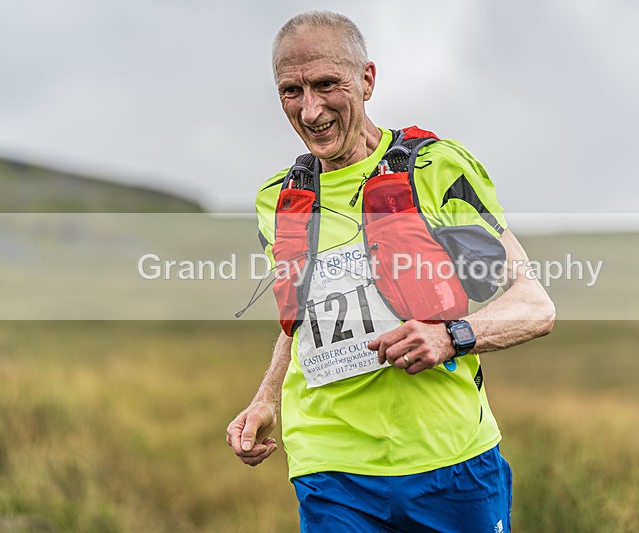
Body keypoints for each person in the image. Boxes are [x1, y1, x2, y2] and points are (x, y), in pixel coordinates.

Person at [226, 11, 555, 532]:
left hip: (449, 460)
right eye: (291, 91)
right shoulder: (277, 200)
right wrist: (266, 398)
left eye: (326, 85)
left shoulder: (436, 168)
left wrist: (451, 336)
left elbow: (534, 305)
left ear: (367, 79)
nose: (310, 110)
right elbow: (301, 320)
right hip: (329, 467)